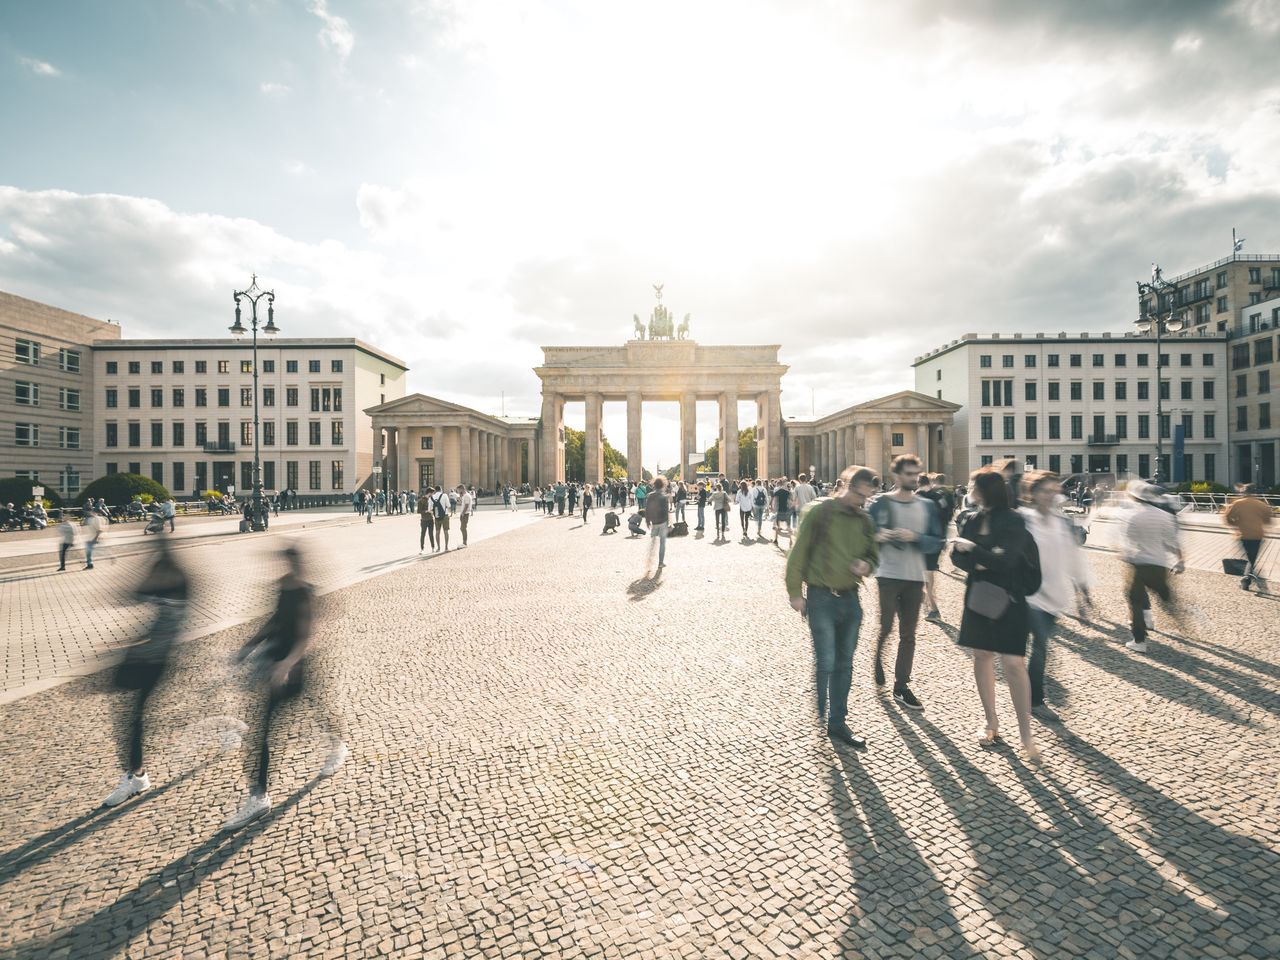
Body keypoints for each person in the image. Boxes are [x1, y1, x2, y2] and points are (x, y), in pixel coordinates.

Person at [226, 545, 346, 830]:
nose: (284, 567)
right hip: (277, 664)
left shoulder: (304, 592)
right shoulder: (283, 586)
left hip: (294, 667)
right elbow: (274, 622)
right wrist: (248, 646)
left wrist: (287, 665)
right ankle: (261, 792)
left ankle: (260, 795)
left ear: (298, 563)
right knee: (277, 723)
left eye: (288, 562)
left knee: (278, 723)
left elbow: (305, 636)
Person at [785, 465, 881, 748]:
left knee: (845, 664)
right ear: (846, 486)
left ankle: (837, 723)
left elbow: (873, 555)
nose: (862, 502)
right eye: (859, 495)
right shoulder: (820, 512)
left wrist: (867, 565)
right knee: (827, 661)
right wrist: (795, 593)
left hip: (851, 599)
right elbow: (797, 554)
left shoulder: (864, 520)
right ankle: (822, 712)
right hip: (821, 597)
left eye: (867, 497)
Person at [952, 468, 1041, 761]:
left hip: (1010, 600)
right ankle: (991, 721)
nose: (968, 489)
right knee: (981, 656)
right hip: (979, 599)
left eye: (972, 485)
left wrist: (975, 552)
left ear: (983, 491)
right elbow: (956, 556)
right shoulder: (972, 518)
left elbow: (1007, 562)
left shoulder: (1013, 520)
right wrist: (979, 559)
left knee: (1014, 663)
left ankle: (1026, 732)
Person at [102, 535, 190, 806]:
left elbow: (143, 595)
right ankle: (136, 773)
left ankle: (136, 776)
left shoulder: (178, 582)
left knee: (134, 718)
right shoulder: (166, 576)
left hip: (156, 659)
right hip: (144, 657)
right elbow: (136, 594)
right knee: (130, 717)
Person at [867, 455, 942, 712]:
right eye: (909, 474)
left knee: (908, 634)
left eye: (916, 474)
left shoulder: (927, 506)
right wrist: (880, 535)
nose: (914, 478)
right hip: (887, 574)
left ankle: (901, 686)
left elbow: (937, 541)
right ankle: (877, 660)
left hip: (914, 577)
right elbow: (864, 534)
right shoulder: (880, 504)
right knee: (886, 626)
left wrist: (916, 537)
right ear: (897, 476)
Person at [1019, 471, 1091, 717]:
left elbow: (1073, 559)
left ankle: (1031, 697)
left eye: (1054, 491)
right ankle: (1035, 701)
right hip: (1026, 596)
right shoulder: (1023, 520)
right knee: (1034, 649)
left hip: (1052, 597)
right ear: (1032, 493)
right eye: (1045, 491)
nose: (1050, 496)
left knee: (1040, 648)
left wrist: (1083, 595)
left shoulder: (1061, 523)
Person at [1119, 480, 1186, 652]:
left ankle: (1139, 640)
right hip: (1159, 564)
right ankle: (1182, 620)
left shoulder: (1131, 515)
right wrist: (1180, 560)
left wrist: (1123, 553)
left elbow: (1128, 542)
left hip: (1138, 563)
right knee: (1165, 596)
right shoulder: (1164, 516)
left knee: (1135, 600)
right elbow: (1172, 542)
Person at [916, 475, 955, 622]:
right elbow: (948, 516)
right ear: (929, 483)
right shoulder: (940, 497)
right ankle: (930, 603)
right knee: (929, 573)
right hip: (937, 540)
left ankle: (932, 606)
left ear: (918, 484)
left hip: (920, 540)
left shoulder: (916, 497)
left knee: (922, 574)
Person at [1224, 483, 1272, 591]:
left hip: (1243, 535)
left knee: (1249, 559)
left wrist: (1235, 525)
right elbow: (1268, 520)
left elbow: (1227, 517)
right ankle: (1249, 579)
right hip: (1258, 535)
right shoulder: (1261, 504)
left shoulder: (1237, 503)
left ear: (1244, 492)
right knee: (1252, 559)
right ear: (1254, 492)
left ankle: (1246, 579)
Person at [644, 476, 671, 568]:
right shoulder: (664, 496)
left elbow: (647, 509)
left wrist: (647, 520)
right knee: (662, 543)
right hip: (662, 521)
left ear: (654, 485)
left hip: (654, 521)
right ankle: (660, 562)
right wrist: (668, 524)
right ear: (663, 485)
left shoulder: (650, 495)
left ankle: (649, 557)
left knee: (653, 540)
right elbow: (666, 511)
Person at [430, 486, 451, 551]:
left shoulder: (432, 497)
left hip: (436, 517)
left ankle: (438, 548)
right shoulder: (444, 495)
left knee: (437, 532)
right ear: (441, 489)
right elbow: (448, 505)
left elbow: (430, 509)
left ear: (435, 490)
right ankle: (446, 547)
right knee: (446, 531)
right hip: (445, 515)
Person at [771, 478, 792, 544]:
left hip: (780, 510)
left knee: (777, 525)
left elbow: (775, 501)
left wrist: (773, 508)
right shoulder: (788, 492)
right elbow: (791, 501)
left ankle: (776, 539)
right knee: (788, 526)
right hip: (787, 510)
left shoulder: (778, 492)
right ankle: (791, 540)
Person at [417, 487, 436, 553]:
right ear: (429, 493)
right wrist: (427, 511)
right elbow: (418, 511)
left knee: (431, 534)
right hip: (424, 519)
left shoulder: (432, 499)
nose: (433, 494)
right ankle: (422, 549)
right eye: (432, 493)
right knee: (423, 534)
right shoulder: (421, 500)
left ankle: (433, 547)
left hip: (431, 519)